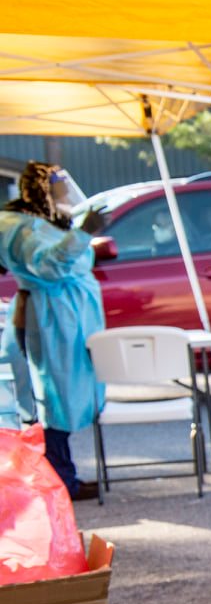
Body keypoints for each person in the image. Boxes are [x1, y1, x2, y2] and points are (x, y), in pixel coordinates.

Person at [0, 161, 107, 499]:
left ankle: (62, 476)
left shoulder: (42, 221)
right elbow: (47, 263)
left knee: (62, 395)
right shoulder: (20, 226)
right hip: (48, 319)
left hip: (66, 319)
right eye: (58, 190)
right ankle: (58, 481)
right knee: (48, 398)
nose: (65, 197)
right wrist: (82, 234)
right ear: (42, 191)